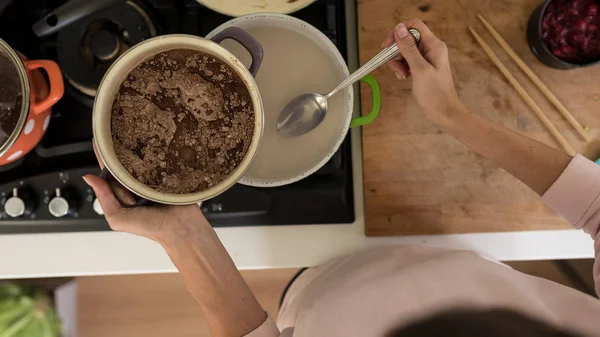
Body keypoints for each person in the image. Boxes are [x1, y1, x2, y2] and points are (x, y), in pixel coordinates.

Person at [83, 19, 600, 337]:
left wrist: (183, 234)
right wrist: (449, 113)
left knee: (310, 293)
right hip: (406, 261)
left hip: (308, 302)